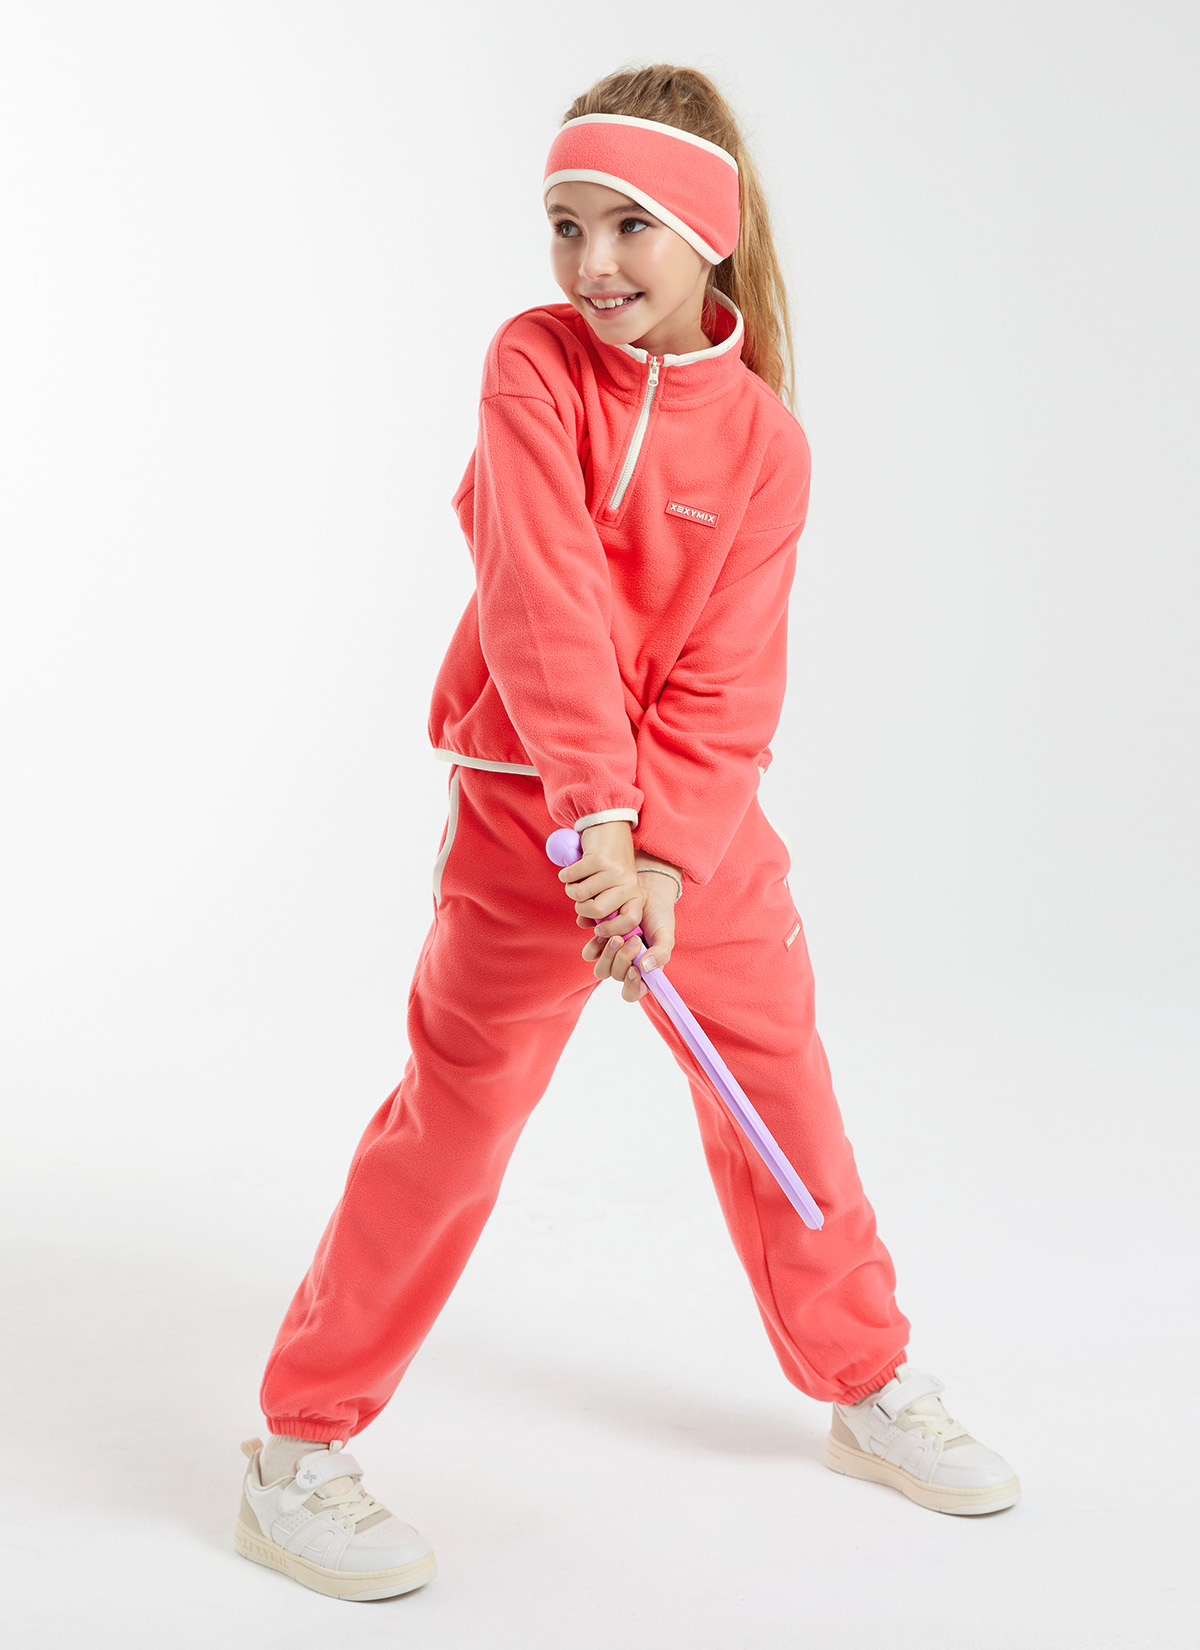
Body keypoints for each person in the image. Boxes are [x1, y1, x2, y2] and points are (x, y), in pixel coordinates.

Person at [233, 63, 1021, 1603]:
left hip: (690, 841)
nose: (591, 262)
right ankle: (296, 1449)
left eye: (629, 226)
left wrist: (660, 852)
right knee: (454, 1123)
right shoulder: (530, 364)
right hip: (527, 819)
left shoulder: (770, 444)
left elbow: (731, 677)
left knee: (782, 1094)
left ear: (710, 232)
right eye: (565, 224)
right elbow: (541, 593)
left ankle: (867, 1379)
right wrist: (594, 815)